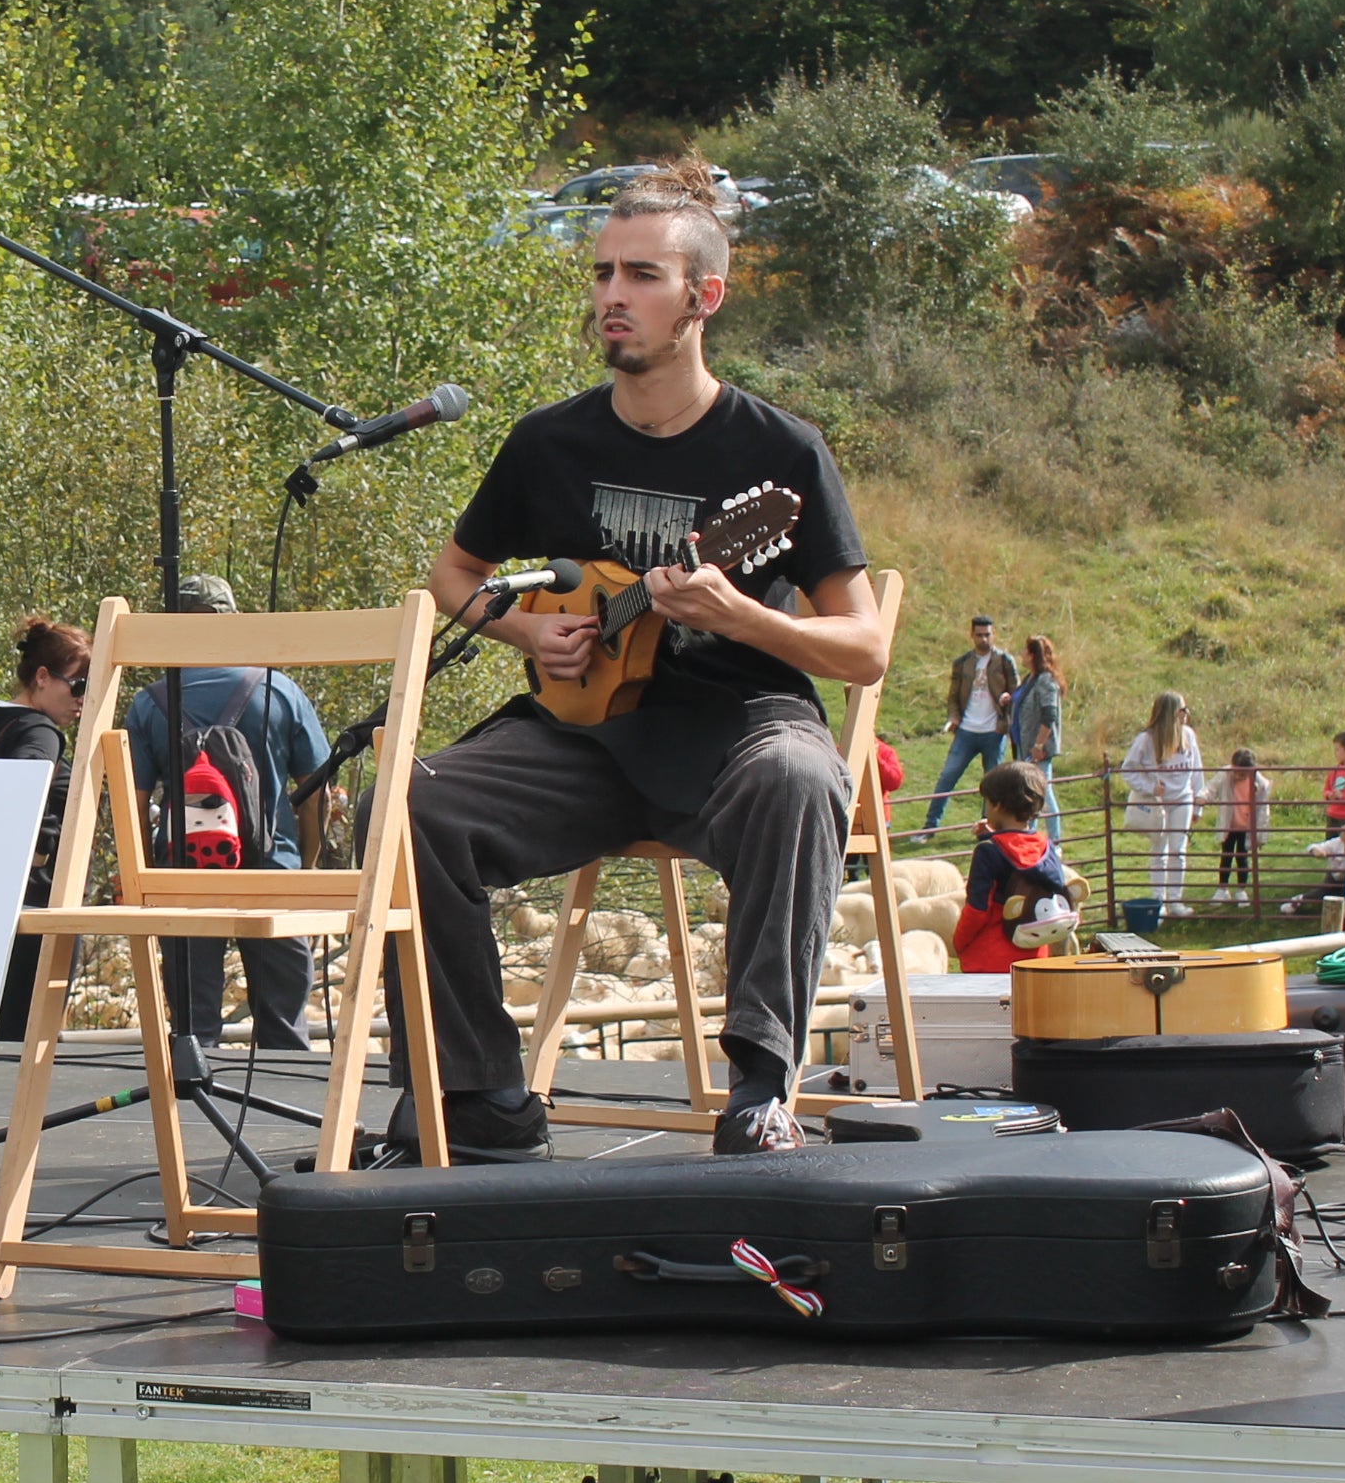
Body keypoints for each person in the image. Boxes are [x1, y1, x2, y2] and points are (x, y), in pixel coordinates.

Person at [381, 165, 885, 1158]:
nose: (611, 295)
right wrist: (524, 631)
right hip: (586, 736)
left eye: (641, 275)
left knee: (800, 775)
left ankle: (759, 1085)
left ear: (704, 297)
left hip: (737, 731)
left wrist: (743, 616)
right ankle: (478, 1094)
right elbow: (453, 574)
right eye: (604, 273)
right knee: (408, 800)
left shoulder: (779, 452)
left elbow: (863, 648)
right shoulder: (548, 443)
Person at [126, 574, 334, 1051]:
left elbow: (132, 805)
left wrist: (146, 877)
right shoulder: (277, 689)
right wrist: (305, 864)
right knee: (283, 1026)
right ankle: (289, 1122)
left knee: (193, 1032)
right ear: (232, 621)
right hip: (273, 872)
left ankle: (189, 1119)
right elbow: (318, 789)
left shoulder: (149, 702)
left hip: (183, 876)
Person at [0, 616, 93, 1042]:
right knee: (20, 1045)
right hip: (36, 912)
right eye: (78, 685)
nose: (83, 699)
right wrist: (41, 847)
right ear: (43, 678)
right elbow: (21, 787)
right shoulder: (40, 731)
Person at [950, 762, 1087, 971]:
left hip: (990, 959)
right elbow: (1020, 853)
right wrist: (991, 835)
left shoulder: (988, 852)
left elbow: (978, 909)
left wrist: (959, 941)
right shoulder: (1045, 846)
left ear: (996, 805)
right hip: (1034, 954)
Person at [922, 616, 1017, 834]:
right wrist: (954, 717)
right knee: (947, 776)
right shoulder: (963, 662)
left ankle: (988, 828)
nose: (984, 639)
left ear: (994, 635)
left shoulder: (1004, 661)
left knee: (993, 785)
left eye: (988, 634)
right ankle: (930, 826)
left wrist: (1007, 699)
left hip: (994, 731)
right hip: (967, 729)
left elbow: (1016, 691)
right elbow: (953, 696)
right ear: (972, 635)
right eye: (979, 635)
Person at [1119, 690, 1204, 918]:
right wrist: (1149, 788)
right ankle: (1159, 901)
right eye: (1183, 710)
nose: (1186, 714)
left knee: (1179, 850)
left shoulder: (1188, 735)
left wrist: (1198, 804)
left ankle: (1175, 901)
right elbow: (1127, 769)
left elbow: (1197, 771)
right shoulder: (1146, 740)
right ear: (1171, 713)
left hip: (1182, 799)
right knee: (1159, 849)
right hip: (1158, 804)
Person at [1010, 635, 1066, 841]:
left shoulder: (1045, 680)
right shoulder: (1031, 678)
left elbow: (1049, 714)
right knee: (1031, 790)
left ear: (1033, 655)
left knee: (1043, 793)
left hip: (1037, 749)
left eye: (1025, 650)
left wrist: (1039, 744)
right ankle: (1028, 835)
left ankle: (1055, 841)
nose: (1022, 654)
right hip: (1025, 746)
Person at [1207, 745, 1271, 905]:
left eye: (1243, 773)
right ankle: (1222, 889)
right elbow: (1211, 788)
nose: (1238, 775)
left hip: (1246, 827)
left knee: (1242, 858)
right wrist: (1202, 798)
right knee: (1226, 856)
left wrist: (1261, 835)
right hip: (1229, 824)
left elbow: (1263, 811)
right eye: (1236, 771)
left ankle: (1241, 890)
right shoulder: (1225, 774)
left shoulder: (1261, 784)